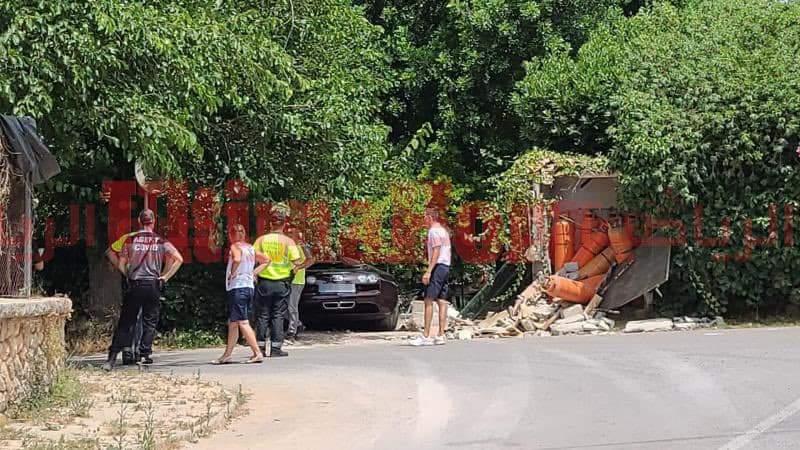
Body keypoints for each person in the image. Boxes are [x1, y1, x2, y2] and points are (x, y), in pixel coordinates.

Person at [103, 209, 183, 371]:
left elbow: (119, 261)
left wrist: (127, 274)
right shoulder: (161, 241)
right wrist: (164, 277)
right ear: (154, 222)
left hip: (135, 284)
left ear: (139, 222)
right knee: (150, 321)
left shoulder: (130, 239)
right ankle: (144, 355)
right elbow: (179, 259)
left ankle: (111, 358)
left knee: (126, 322)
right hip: (153, 285)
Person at [253, 207, 303, 357]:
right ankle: (276, 349)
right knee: (278, 315)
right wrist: (291, 272)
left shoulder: (261, 240)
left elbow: (252, 257)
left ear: (270, 224)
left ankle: (260, 348)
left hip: (264, 282)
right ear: (284, 224)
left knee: (262, 315)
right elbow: (297, 261)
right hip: (282, 283)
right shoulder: (288, 242)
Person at [212, 224, 263, 364]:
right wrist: (253, 273)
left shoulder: (235, 247)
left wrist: (232, 273)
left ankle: (257, 352)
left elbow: (237, 259)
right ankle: (227, 355)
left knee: (242, 322)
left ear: (231, 235)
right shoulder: (250, 248)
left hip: (238, 286)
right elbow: (266, 260)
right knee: (233, 323)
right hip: (248, 286)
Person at [410, 208, 452, 346]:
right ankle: (441, 334)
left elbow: (436, 250)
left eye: (424, 217)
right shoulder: (443, 231)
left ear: (430, 217)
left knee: (428, 299)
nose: (423, 220)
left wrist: (429, 271)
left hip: (438, 266)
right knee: (442, 300)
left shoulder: (433, 232)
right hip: (445, 266)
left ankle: (426, 336)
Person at [106, 231, 144, 366]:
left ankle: (128, 350)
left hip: (130, 279)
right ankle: (135, 350)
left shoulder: (127, 238)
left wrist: (123, 270)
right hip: (143, 280)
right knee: (139, 316)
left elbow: (110, 252)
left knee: (129, 316)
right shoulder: (152, 239)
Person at [286, 228, 315, 343]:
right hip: (286, 279)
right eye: (287, 233)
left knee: (291, 306)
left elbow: (311, 260)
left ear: (297, 235)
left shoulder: (302, 247)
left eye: (291, 233)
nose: (288, 235)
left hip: (297, 280)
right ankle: (298, 324)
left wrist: (298, 267)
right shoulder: (287, 247)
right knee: (284, 306)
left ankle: (292, 331)